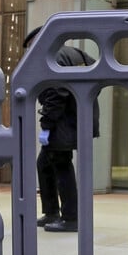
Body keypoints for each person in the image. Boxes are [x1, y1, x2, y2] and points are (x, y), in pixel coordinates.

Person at [23, 26, 99, 233]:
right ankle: (52, 212)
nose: (30, 52)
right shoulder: (76, 53)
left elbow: (57, 93)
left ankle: (71, 218)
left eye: (30, 47)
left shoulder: (53, 57)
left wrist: (46, 125)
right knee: (45, 163)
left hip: (63, 122)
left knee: (61, 164)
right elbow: (97, 76)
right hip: (79, 118)